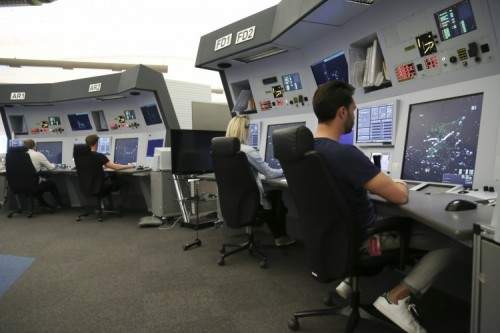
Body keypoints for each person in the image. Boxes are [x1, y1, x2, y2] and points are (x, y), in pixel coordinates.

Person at [312, 81, 462, 333]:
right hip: (366, 244)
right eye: (353, 109)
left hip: (331, 240)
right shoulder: (344, 154)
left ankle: (348, 282)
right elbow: (399, 197)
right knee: (452, 240)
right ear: (342, 113)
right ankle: (396, 298)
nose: (354, 115)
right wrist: (400, 183)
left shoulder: (307, 150)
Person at [225, 115, 295, 247]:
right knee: (277, 195)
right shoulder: (247, 151)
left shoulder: (224, 150)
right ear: (244, 129)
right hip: (251, 201)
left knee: (272, 194)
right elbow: (269, 173)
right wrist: (286, 169)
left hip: (233, 200)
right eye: (249, 128)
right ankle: (280, 237)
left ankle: (279, 236)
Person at [23, 139, 64, 208]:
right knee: (51, 184)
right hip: (34, 184)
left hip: (21, 184)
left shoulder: (20, 156)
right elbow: (51, 168)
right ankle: (60, 204)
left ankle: (43, 204)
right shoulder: (37, 154)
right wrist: (55, 165)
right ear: (34, 146)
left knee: (39, 184)